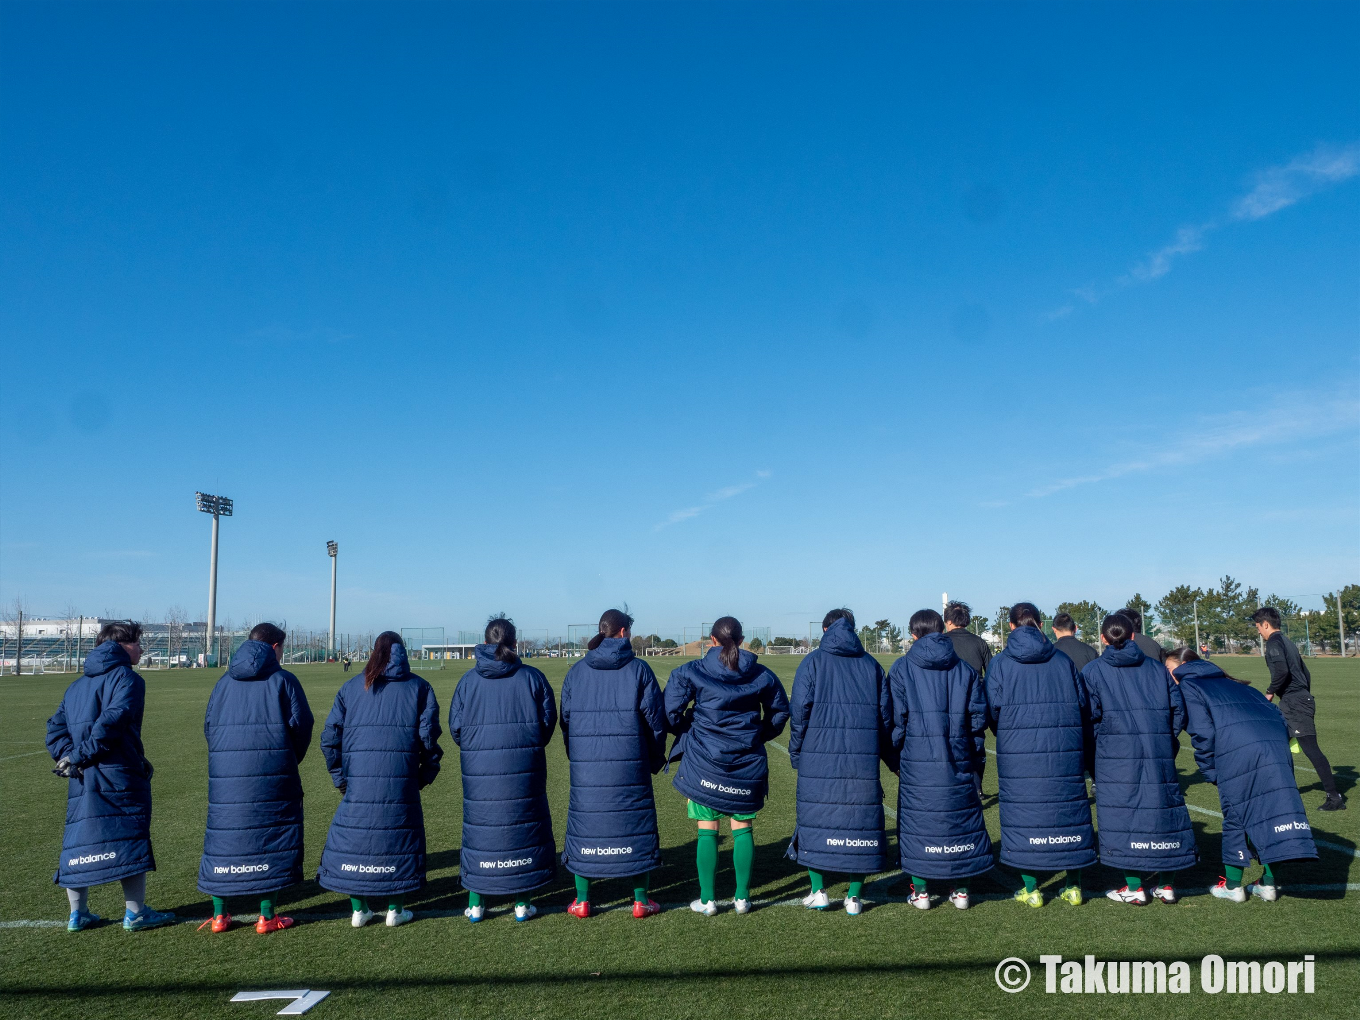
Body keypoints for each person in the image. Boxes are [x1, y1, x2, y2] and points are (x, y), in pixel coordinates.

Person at [46, 621, 176, 932]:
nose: (142, 650)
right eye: (137, 643)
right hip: (118, 773)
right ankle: (136, 912)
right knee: (128, 834)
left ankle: (78, 914)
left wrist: (73, 757)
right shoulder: (127, 678)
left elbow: (55, 730)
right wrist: (77, 756)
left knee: (80, 837)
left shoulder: (76, 685)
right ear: (120, 645)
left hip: (84, 774)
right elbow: (112, 723)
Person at [665, 616, 790, 916]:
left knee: (707, 829)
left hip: (704, 764)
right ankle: (742, 899)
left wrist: (690, 730)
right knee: (742, 828)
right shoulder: (763, 675)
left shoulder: (691, 670)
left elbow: (668, 712)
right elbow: (779, 714)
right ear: (742, 640)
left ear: (711, 640)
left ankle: (707, 900)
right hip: (746, 764)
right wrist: (757, 734)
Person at [317, 632, 442, 927]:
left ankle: (359, 910)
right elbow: (429, 738)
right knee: (398, 837)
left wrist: (341, 778)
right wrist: (423, 775)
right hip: (401, 778)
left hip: (358, 779)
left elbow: (329, 738)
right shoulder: (419, 687)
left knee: (356, 838)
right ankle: (394, 911)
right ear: (403, 652)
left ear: (375, 652)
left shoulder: (352, 687)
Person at [1173, 651, 1319, 901]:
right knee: (1273, 811)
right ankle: (1269, 884)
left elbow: (1203, 734)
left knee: (1236, 815)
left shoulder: (1189, 684)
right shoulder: (1237, 685)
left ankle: (1232, 886)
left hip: (1240, 752)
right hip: (1275, 747)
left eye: (1168, 668)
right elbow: (1277, 716)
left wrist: (1210, 770)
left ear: (1184, 666)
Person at [199, 623, 313, 934]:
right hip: (273, 772)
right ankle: (267, 916)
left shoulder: (223, 683)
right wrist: (288, 759)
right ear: (275, 647)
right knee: (270, 837)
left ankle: (220, 916)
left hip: (227, 773)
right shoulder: (283, 680)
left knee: (223, 836)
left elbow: (209, 726)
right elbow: (302, 726)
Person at [985, 603, 1096, 907]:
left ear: (1011, 627)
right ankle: (1074, 886)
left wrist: (1008, 731)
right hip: (1064, 745)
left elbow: (992, 709)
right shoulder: (1062, 660)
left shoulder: (1001, 663)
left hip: (1018, 748)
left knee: (1024, 814)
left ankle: (1031, 888)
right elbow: (1082, 703)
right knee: (1069, 810)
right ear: (1040, 624)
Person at [785, 609, 895, 916]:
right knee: (859, 822)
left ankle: (818, 891)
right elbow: (885, 719)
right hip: (861, 756)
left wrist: (796, 751)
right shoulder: (871, 665)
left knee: (816, 819)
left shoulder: (813, 662)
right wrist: (887, 756)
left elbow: (800, 714)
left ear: (824, 629)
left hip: (818, 755)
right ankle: (854, 896)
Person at [1080, 613, 1196, 904]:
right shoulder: (1157, 670)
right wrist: (1164, 737)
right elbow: (1178, 709)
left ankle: (1135, 886)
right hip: (1154, 750)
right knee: (1162, 809)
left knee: (1123, 815)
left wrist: (1099, 746)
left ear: (1103, 639)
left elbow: (1088, 719)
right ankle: (1166, 885)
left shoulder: (1093, 671)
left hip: (1115, 756)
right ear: (1132, 636)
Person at [559, 609, 667, 919]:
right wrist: (654, 758)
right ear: (622, 633)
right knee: (634, 826)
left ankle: (581, 901)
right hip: (630, 763)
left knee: (586, 827)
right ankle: (640, 901)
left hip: (586, 764)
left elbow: (566, 722)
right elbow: (656, 723)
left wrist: (576, 754)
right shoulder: (639, 670)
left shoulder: (576, 672)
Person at [449, 617, 557, 922]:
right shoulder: (533, 678)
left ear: (485, 643)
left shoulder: (468, 683)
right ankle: (522, 902)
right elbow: (547, 722)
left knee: (481, 830)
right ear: (514, 642)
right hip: (525, 765)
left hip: (479, 767)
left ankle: (476, 903)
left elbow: (456, 727)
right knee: (523, 826)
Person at [888, 609, 991, 910]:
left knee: (919, 822)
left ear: (914, 633)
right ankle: (961, 890)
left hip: (917, 759)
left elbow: (896, 719)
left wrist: (897, 754)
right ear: (941, 629)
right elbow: (978, 718)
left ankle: (920, 893)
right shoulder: (966, 671)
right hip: (957, 757)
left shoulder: (902, 668)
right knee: (960, 820)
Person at [1253, 606, 1345, 811]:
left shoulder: (1274, 644)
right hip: (1294, 701)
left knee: (1310, 749)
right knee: (1276, 742)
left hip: (1295, 703)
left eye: (1258, 627)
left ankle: (1335, 797)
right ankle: (1278, 789)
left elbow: (1282, 672)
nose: (1258, 631)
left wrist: (1269, 694)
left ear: (1265, 624)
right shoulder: (1286, 641)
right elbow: (1306, 672)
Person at [943, 601, 992, 676]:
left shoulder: (942, 641)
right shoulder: (980, 642)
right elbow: (991, 671)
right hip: (976, 685)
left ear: (949, 622)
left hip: (950, 686)